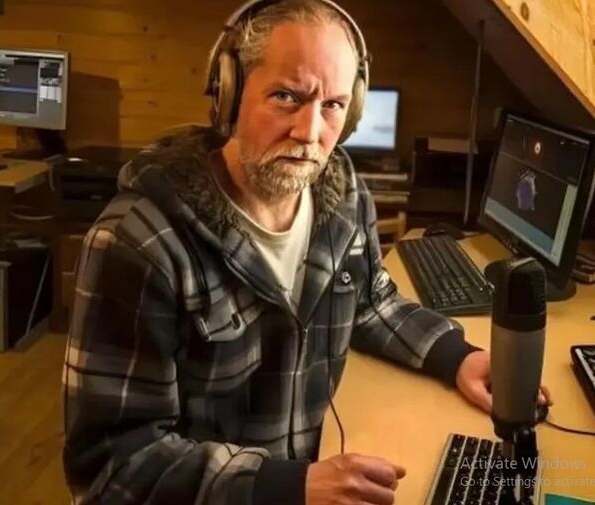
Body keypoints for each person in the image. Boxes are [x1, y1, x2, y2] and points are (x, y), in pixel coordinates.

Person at [62, 1, 548, 504]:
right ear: (229, 94)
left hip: (318, 468)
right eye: (286, 97)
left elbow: (371, 302)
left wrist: (456, 357)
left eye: (333, 105)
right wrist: (285, 486)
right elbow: (113, 469)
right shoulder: (137, 243)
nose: (309, 133)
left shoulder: (343, 196)